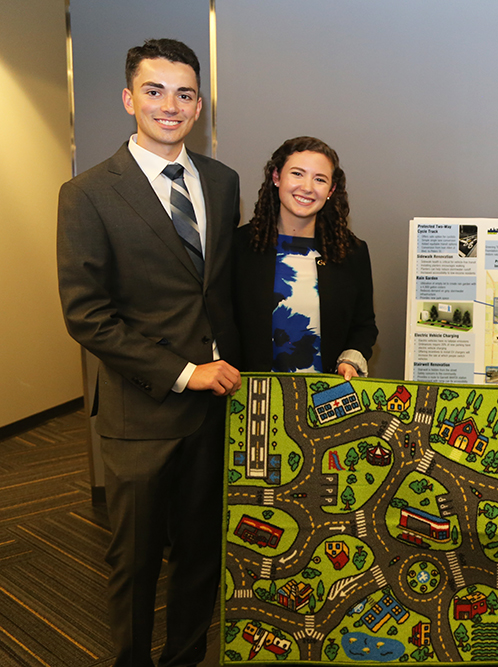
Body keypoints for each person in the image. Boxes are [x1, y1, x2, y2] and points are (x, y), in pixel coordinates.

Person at [56, 39, 241, 666]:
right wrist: (185, 372)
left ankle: (185, 658)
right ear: (129, 98)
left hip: (217, 411)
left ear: (200, 106)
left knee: (200, 555)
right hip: (141, 414)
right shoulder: (87, 193)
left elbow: (219, 290)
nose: (171, 105)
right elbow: (88, 316)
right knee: (133, 565)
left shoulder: (221, 181)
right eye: (155, 90)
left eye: (185, 93)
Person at [234, 136, 378, 377]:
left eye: (320, 179)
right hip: (251, 398)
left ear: (331, 190)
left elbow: (363, 326)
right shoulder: (238, 246)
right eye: (297, 174)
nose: (308, 187)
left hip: (325, 399)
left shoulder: (351, 252)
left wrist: (351, 360)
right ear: (276, 177)